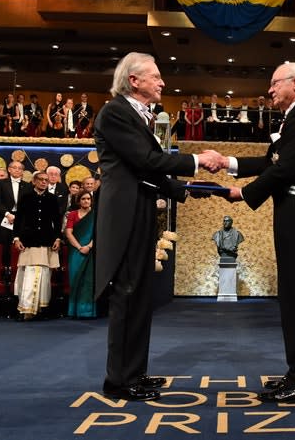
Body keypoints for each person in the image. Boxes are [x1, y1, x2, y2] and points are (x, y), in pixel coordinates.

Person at [93, 52, 222, 402]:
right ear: (134, 81)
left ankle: (133, 373)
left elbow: (148, 171)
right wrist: (197, 161)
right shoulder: (116, 112)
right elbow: (147, 160)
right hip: (125, 216)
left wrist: (186, 190)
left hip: (139, 211)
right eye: (155, 76)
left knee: (140, 296)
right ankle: (118, 380)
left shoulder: (136, 116)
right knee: (128, 295)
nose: (162, 82)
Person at [221, 62, 295, 403]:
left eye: (275, 83)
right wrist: (227, 162)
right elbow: (271, 160)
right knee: (292, 300)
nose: (270, 89)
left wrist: (244, 193)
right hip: (294, 221)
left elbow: (284, 168)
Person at [12, 171, 62, 320]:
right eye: (40, 180)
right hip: (29, 241)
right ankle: (26, 309)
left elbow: (57, 221)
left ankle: (40, 308)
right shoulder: (26, 197)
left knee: (44, 276)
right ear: (34, 181)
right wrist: (16, 238)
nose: (43, 182)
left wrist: (58, 238)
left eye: (46, 180)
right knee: (27, 274)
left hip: (47, 241)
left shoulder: (52, 199)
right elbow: (18, 219)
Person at [65, 190, 96, 318]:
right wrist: (79, 247)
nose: (86, 201)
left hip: (91, 251)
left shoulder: (95, 215)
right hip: (75, 252)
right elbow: (68, 233)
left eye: (88, 199)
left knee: (88, 281)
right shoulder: (72, 214)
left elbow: (98, 233)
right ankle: (74, 311)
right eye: (83, 199)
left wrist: (88, 247)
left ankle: (87, 311)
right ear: (78, 201)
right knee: (75, 279)